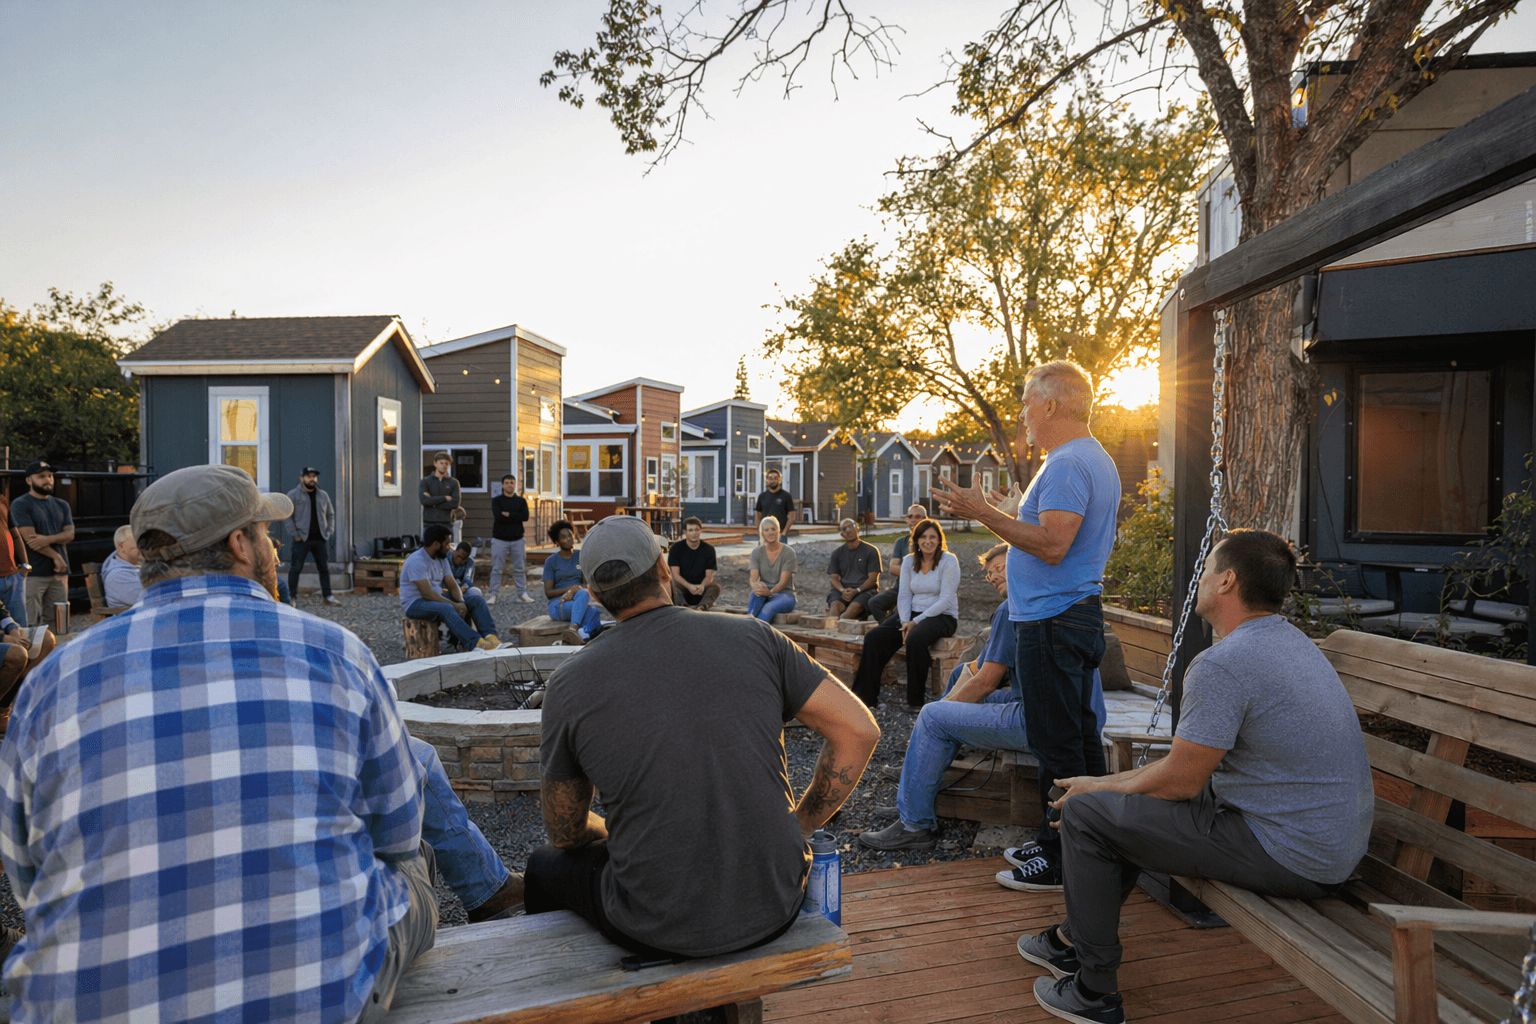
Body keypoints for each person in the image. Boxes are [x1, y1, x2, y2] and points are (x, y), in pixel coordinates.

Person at [0, 463, 521, 1023]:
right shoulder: (335, 653)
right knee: (410, 859)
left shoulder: (54, 679)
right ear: (238, 545)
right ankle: (488, 894)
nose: (275, 546)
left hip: (79, 1002)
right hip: (314, 995)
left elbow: (28, 875)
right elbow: (397, 839)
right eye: (266, 533)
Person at [1016, 530, 1374, 1024]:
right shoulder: (1291, 642)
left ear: (1226, 581)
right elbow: (1185, 775)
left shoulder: (1225, 663)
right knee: (1111, 808)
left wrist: (1095, 786)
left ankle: (1094, 991)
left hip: (1292, 853)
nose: (1199, 577)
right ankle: (1073, 939)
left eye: (1206, 569)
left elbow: (1179, 783)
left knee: (1085, 814)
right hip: (1318, 841)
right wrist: (1106, 787)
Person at [526, 514, 881, 959]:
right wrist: (801, 824)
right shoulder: (755, 635)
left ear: (594, 595)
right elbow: (859, 730)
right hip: (776, 901)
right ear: (662, 569)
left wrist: (614, 831)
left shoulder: (568, 685)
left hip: (652, 923)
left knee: (542, 866)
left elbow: (565, 832)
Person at [933, 359, 1120, 889]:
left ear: (1053, 404)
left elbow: (1054, 545)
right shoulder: (1089, 458)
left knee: (1055, 745)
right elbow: (1054, 529)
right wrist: (1012, 508)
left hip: (1054, 620)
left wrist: (982, 514)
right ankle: (1078, 842)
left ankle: (1064, 862)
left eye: (1026, 403)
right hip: (1073, 615)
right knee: (1080, 740)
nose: (1022, 415)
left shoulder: (1065, 463)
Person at [860, 544, 1108, 853]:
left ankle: (915, 824)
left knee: (932, 717)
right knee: (958, 675)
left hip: (1042, 723)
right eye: (989, 572)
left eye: (999, 567)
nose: (992, 576)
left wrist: (939, 710)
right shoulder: (1055, 599)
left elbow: (986, 682)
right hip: (1081, 717)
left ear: (1021, 563)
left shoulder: (1013, 607)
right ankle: (919, 779)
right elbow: (981, 670)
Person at [850, 518, 959, 709]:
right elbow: (904, 595)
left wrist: (914, 622)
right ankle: (865, 698)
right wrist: (905, 620)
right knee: (874, 638)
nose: (928, 541)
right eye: (923, 537)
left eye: (933, 537)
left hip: (943, 616)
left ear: (939, 540)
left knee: (915, 639)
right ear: (916, 540)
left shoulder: (948, 560)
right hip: (912, 614)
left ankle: (915, 702)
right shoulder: (909, 561)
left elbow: (946, 599)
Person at [401, 524, 502, 652]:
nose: (450, 547)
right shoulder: (417, 561)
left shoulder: (441, 559)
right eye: (447, 543)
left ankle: (491, 637)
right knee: (447, 608)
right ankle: (476, 643)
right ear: (437, 544)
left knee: (476, 600)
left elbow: (452, 584)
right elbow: (427, 594)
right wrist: (454, 605)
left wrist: (461, 602)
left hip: (435, 600)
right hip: (415, 604)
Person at [10, 460, 73, 629]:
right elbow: (31, 540)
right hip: (33, 573)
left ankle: (57, 655)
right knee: (30, 623)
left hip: (59, 574)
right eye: (42, 476)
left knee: (59, 623)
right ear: (29, 480)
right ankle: (34, 656)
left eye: (50, 476)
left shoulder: (62, 504)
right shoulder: (21, 504)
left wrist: (46, 539)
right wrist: (57, 556)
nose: (48, 480)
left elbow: (70, 534)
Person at [286, 465, 341, 606]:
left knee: (324, 568)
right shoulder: (293, 495)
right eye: (309, 476)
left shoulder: (323, 495)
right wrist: (295, 534)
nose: (312, 479)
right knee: (295, 568)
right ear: (302, 478)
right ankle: (292, 597)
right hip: (301, 539)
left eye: (314, 476)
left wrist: (328, 533)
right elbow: (287, 516)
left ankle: (327, 596)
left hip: (320, 539)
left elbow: (331, 515)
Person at [544, 519, 603, 645]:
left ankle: (583, 635)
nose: (568, 539)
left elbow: (586, 584)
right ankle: (572, 630)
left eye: (570, 535)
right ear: (557, 541)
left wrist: (578, 588)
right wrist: (570, 589)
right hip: (559, 604)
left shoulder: (580, 556)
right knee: (584, 595)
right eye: (563, 537)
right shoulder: (551, 561)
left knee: (594, 611)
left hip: (577, 600)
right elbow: (548, 592)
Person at [865, 504, 926, 621]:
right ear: (906, 519)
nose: (913, 519)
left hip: (922, 588)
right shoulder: (901, 542)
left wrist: (907, 570)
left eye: (917, 516)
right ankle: (890, 628)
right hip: (901, 586)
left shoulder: (930, 540)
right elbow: (893, 568)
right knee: (874, 603)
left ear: (925, 519)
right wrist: (916, 572)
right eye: (910, 516)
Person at [488, 474, 533, 605]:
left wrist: (509, 514)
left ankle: (522, 594)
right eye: (507, 483)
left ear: (515, 485)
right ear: (502, 485)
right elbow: (498, 516)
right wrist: (516, 515)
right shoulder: (496, 501)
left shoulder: (521, 501)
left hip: (518, 539)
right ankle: (493, 595)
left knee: (520, 568)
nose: (509, 485)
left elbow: (525, 517)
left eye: (512, 483)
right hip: (499, 539)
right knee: (496, 568)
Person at [826, 518, 881, 619]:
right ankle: (829, 632)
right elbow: (833, 578)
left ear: (857, 529)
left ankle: (841, 626)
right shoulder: (837, 553)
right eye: (844, 529)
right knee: (834, 608)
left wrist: (857, 590)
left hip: (864, 591)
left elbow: (873, 579)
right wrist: (842, 590)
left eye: (851, 526)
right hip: (843, 591)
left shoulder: (871, 551)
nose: (848, 530)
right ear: (842, 534)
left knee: (849, 614)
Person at [748, 516, 796, 622]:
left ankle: (755, 635)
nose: (770, 532)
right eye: (766, 530)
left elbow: (782, 583)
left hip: (784, 595)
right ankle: (747, 630)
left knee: (767, 608)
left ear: (778, 531)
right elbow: (753, 579)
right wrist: (756, 587)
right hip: (763, 593)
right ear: (762, 533)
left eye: (773, 529)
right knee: (752, 610)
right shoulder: (756, 552)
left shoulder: (789, 552)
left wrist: (769, 593)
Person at [667, 516, 720, 610]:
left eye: (697, 530)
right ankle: (683, 606)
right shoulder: (676, 548)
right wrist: (689, 586)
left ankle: (703, 607)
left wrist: (702, 586)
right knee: (672, 585)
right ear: (685, 532)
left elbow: (709, 576)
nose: (694, 533)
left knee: (715, 587)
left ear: (700, 531)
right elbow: (675, 575)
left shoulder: (709, 549)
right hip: (683, 589)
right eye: (690, 530)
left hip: (701, 590)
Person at [419, 450, 464, 545]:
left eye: (446, 463)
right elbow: (424, 500)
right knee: (428, 554)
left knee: (446, 553)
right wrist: (444, 498)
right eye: (441, 463)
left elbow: (455, 503)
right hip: (429, 524)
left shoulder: (453, 482)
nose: (444, 465)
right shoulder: (425, 481)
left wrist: (433, 502)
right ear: (435, 463)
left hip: (446, 524)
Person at [0, 486, 27, 627]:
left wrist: (25, 566)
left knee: (22, 631)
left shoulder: (2, 500)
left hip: (13, 577)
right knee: (6, 635)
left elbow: (15, 535)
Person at [100, 523, 144, 607]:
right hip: (134, 618)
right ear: (120, 546)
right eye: (138, 542)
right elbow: (150, 600)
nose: (143, 546)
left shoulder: (137, 566)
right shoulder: (117, 575)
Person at [754, 468, 796, 533]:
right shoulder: (762, 496)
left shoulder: (786, 496)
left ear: (779, 480)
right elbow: (757, 514)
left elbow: (792, 515)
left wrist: (785, 531)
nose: (772, 481)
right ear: (767, 480)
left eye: (775, 478)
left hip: (780, 533)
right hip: (765, 533)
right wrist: (760, 531)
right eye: (770, 478)